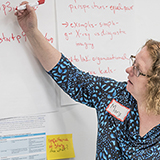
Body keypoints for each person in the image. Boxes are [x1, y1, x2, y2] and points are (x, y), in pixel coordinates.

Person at [15, 2, 160, 159]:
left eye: (138, 69)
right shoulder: (114, 94)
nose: (129, 70)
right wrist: (31, 31)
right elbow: (70, 76)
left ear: (155, 85)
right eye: (133, 62)